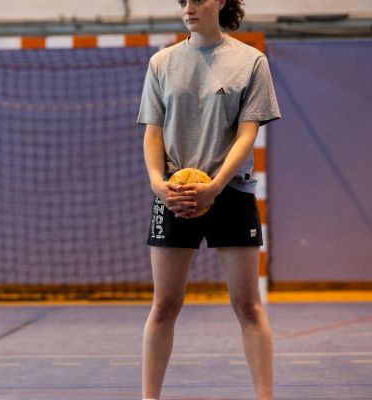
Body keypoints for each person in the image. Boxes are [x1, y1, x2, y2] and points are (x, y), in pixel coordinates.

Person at [137, 0, 280, 399]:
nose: (189, 7)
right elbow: (153, 132)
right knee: (164, 305)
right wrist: (156, 183)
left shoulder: (251, 61)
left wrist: (216, 185)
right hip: (175, 194)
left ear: (220, 2)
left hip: (230, 192)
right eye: (182, 1)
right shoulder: (161, 63)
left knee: (248, 306)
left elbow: (247, 134)